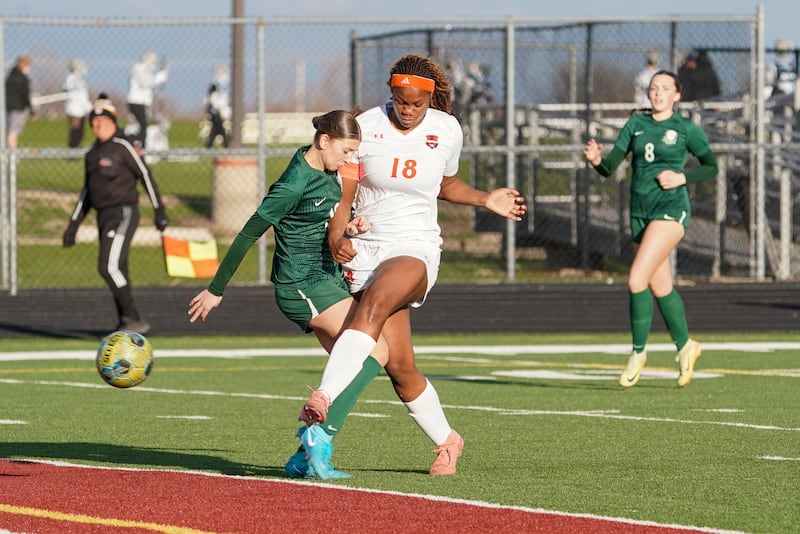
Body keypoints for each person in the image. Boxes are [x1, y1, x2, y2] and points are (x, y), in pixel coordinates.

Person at [298, 53, 526, 478]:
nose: (407, 110)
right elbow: (346, 191)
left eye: (416, 104)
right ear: (391, 94)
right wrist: (337, 233)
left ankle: (323, 405)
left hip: (416, 248)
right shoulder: (366, 125)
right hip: (366, 250)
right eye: (400, 101)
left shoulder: (446, 128)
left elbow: (446, 183)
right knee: (399, 366)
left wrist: (485, 198)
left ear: (429, 99)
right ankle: (448, 441)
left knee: (375, 305)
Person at [583, 70, 718, 389]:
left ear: (677, 95)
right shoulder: (636, 124)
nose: (657, 93)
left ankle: (638, 353)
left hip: (671, 209)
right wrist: (595, 160)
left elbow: (712, 165)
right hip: (640, 213)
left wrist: (683, 177)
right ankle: (687, 347)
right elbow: (610, 167)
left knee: (635, 279)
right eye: (653, 88)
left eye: (665, 89)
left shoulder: (685, 128)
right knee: (661, 287)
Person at [62, 93, 169, 334]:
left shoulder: (123, 147)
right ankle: (125, 323)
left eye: (103, 121)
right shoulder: (92, 154)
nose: (98, 126)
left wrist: (159, 210)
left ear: (112, 121)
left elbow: (145, 175)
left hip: (124, 213)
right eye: (94, 122)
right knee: (118, 267)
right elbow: (87, 192)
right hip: (103, 216)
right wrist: (73, 226)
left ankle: (134, 318)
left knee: (108, 267)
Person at [126, 51, 169, 148]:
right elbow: (146, 83)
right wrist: (160, 76)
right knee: (143, 126)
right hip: (136, 102)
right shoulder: (139, 69)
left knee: (142, 126)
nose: (154, 64)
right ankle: (140, 147)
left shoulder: (145, 70)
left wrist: (162, 74)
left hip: (142, 103)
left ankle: (139, 145)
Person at [5, 56, 33, 149]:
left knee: (10, 131)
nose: (29, 68)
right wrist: (31, 110)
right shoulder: (23, 79)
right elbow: (25, 95)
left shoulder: (9, 77)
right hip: (18, 108)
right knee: (13, 132)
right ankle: (11, 155)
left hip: (7, 108)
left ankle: (10, 154)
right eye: (28, 66)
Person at [63, 58, 92, 148]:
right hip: (74, 109)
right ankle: (72, 148)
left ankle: (76, 148)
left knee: (80, 130)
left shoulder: (80, 79)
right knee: (75, 129)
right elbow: (76, 94)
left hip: (81, 109)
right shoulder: (71, 79)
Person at [205, 65, 231, 148]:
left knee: (216, 128)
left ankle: (210, 145)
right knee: (219, 128)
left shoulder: (224, 85)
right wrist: (217, 107)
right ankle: (226, 144)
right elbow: (211, 97)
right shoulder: (215, 84)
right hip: (215, 110)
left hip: (220, 109)